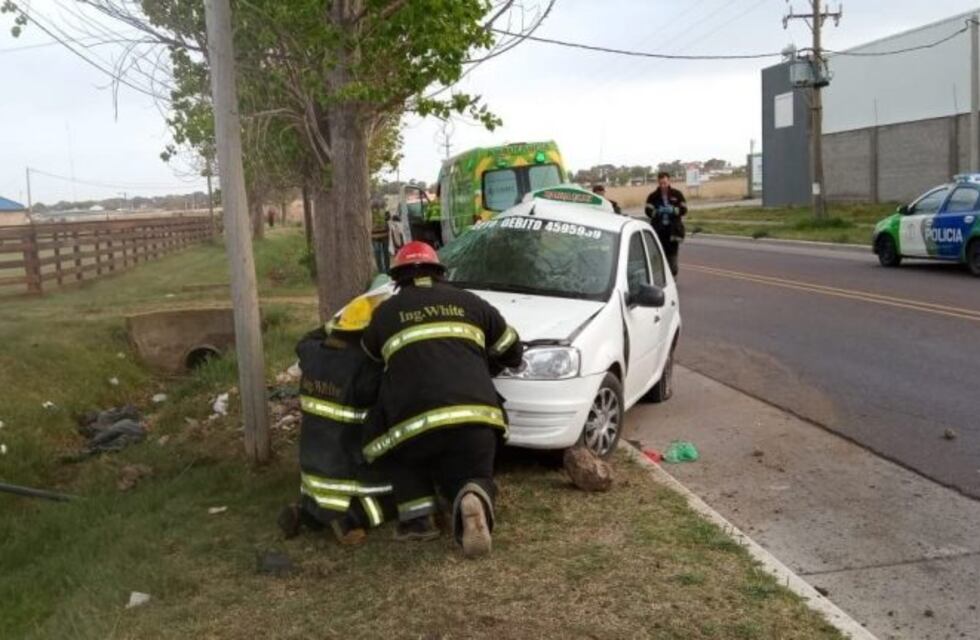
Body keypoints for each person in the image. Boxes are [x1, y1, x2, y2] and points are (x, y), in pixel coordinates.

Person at [361, 241, 523, 558]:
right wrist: (484, 360)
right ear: (440, 273)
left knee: (398, 448)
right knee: (475, 473)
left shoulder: (384, 314)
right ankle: (471, 494)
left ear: (397, 279)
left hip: (414, 430)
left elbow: (369, 364)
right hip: (476, 422)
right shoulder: (471, 303)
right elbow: (513, 352)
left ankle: (418, 520)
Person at [278, 292, 395, 545]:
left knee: (321, 502)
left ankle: (306, 514)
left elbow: (308, 338)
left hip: (314, 472)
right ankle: (350, 518)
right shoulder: (366, 367)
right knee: (395, 499)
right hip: (351, 469)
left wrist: (341, 320)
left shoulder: (312, 353)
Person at [644, 172, 687, 275]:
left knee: (672, 255)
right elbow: (648, 211)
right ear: (658, 182)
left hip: (673, 231)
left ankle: (673, 275)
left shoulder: (677, 194)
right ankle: (662, 277)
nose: (663, 185)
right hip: (658, 230)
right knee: (659, 254)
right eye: (660, 183)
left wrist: (674, 210)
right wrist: (657, 212)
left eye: (665, 183)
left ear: (669, 181)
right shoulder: (653, 196)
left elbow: (684, 209)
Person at [371, 208, 390, 273]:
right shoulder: (369, 208)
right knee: (378, 253)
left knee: (384, 252)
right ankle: (381, 271)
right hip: (374, 235)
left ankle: (387, 270)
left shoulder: (383, 207)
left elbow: (388, 217)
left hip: (384, 234)